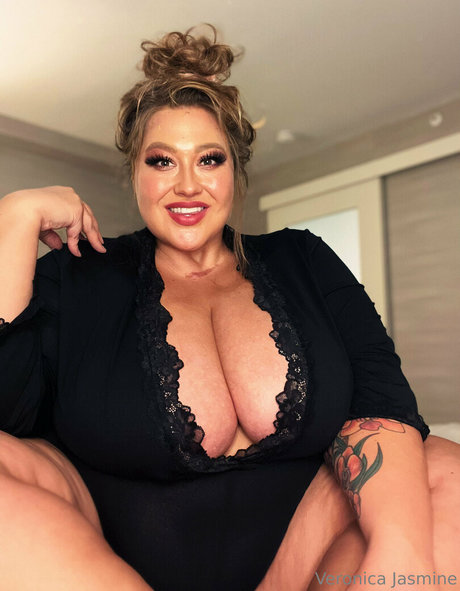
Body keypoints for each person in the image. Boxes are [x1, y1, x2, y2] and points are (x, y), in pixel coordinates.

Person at [0, 26, 459, 591]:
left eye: (209, 160)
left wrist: (400, 555)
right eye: (162, 161)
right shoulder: (77, 273)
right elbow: (8, 415)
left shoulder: (303, 258)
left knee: (442, 466)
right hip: (111, 567)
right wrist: (14, 217)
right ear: (134, 172)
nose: (187, 185)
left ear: (235, 171)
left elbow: (381, 401)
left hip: (299, 556)